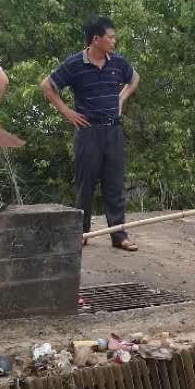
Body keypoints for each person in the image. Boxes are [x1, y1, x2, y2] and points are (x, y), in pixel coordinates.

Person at [40, 16, 141, 251]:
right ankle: (82, 232)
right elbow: (47, 85)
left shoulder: (117, 62)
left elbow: (134, 78)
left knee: (114, 184)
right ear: (96, 39)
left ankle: (119, 236)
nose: (114, 41)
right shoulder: (75, 63)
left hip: (113, 129)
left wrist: (121, 97)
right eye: (110, 37)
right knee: (85, 185)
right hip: (87, 131)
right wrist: (67, 112)